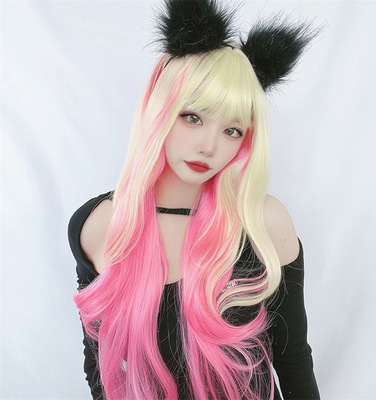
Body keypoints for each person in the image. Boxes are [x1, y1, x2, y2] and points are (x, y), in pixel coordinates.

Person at [68, 0, 320, 399]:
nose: (208, 146)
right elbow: (99, 363)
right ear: (160, 109)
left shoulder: (263, 221)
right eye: (193, 117)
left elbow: (292, 359)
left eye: (232, 130)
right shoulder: (98, 225)